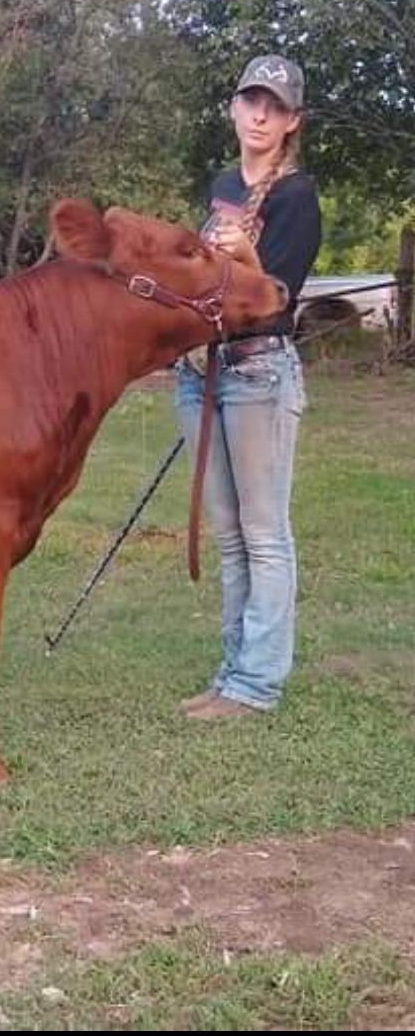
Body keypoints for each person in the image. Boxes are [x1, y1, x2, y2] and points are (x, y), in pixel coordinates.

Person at [176, 54, 322, 719]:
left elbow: (276, 298)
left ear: (293, 121)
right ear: (234, 108)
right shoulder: (223, 184)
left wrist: (245, 255)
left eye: (275, 106)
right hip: (203, 373)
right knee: (230, 535)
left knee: (265, 535)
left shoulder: (297, 197)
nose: (260, 115)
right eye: (251, 101)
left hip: (261, 372)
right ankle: (232, 673)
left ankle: (257, 684)